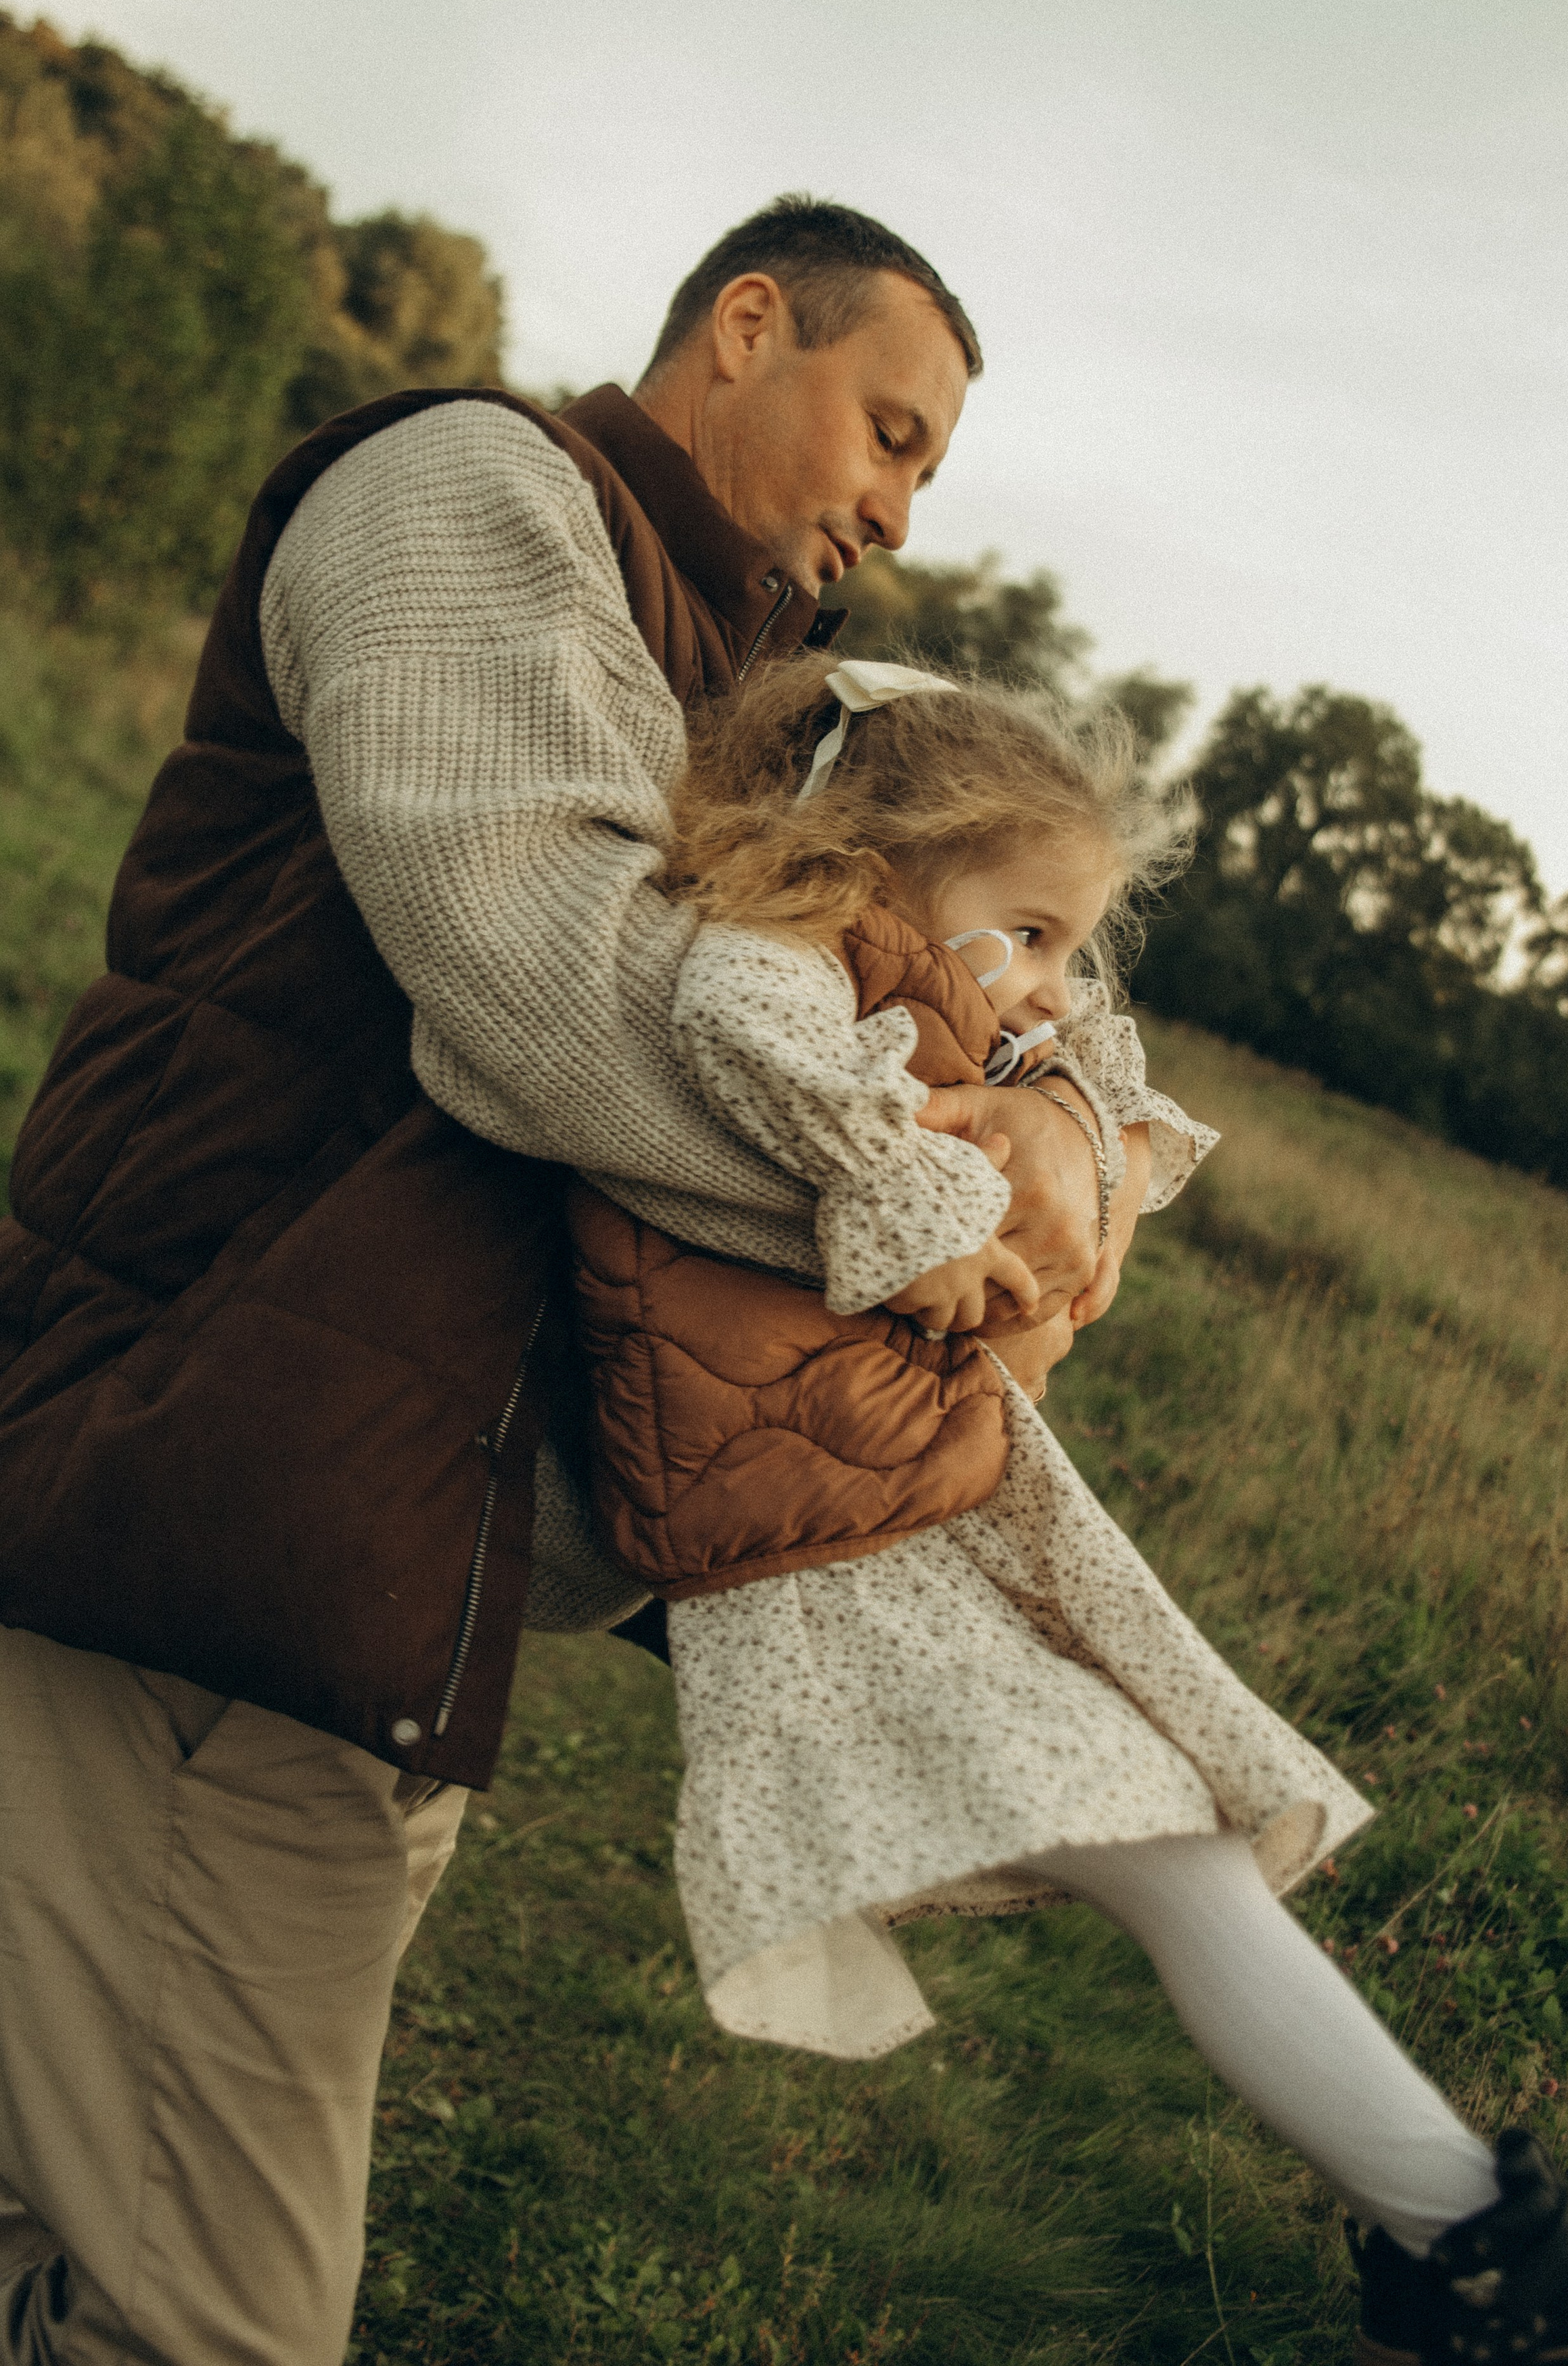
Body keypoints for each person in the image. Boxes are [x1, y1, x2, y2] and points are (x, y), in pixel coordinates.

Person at [0, 198, 1133, 2366]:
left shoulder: (755, 697)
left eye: (927, 476)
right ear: (743, 323)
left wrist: (1074, 1131)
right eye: (887, 431)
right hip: (212, 1542)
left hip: (371, 1576)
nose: (894, 510)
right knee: (206, 2322)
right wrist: (962, 1223)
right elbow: (549, 986)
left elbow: (1026, 957)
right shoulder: (471, 493)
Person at [563, 652, 1568, 2366]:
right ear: (882, 855)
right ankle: (1490, 2264)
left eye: (1067, 942)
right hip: (805, 1542)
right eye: (1025, 930)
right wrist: (923, 1198)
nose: (1049, 981)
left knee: (1176, 1838)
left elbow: (1105, 1136)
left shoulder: (916, 984)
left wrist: (1054, 1124)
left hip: (853, 1502)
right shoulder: (777, 956)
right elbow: (746, 1040)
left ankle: (1476, 2252)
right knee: (1175, 1847)